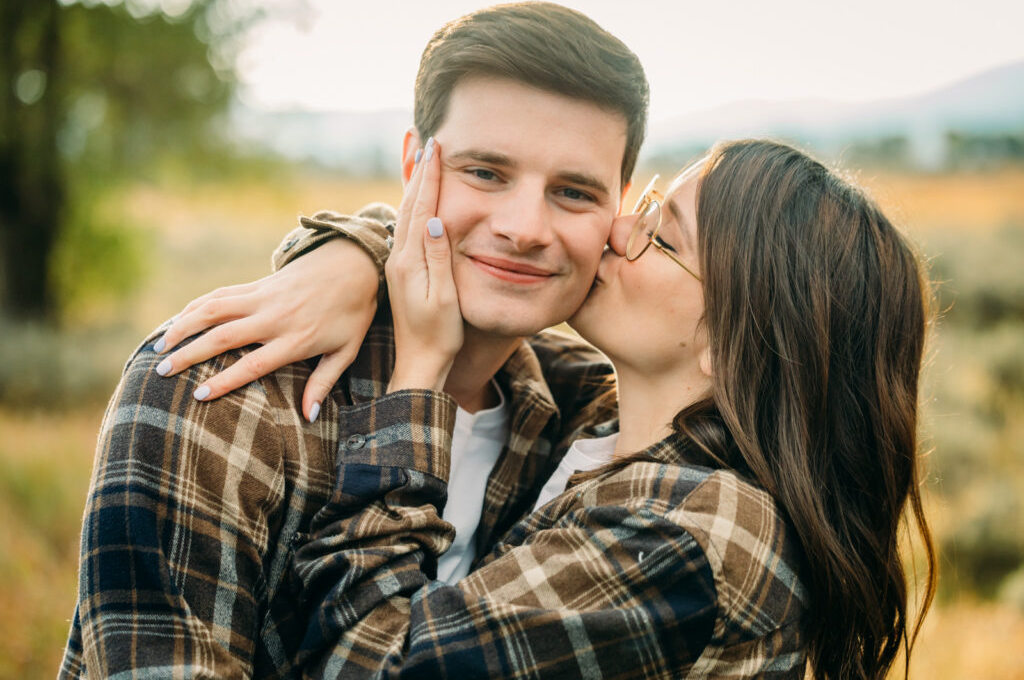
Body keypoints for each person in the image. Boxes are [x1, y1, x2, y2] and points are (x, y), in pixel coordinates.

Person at [179, 139, 938, 677]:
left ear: (735, 345)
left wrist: (416, 376)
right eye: (643, 203)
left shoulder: (700, 536)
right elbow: (479, 288)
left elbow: (364, 662)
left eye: (662, 236)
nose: (617, 230)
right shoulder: (600, 425)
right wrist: (352, 258)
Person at [60, 3, 649, 677]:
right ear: (413, 166)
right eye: (485, 172)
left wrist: (360, 245)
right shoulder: (218, 390)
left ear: (618, 209)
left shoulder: (591, 421)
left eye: (573, 192)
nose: (525, 227)